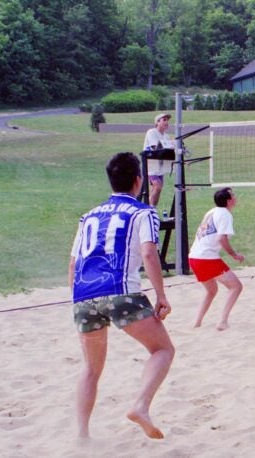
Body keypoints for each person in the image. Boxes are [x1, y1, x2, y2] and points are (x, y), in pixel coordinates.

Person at [68, 152, 174, 439]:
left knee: (90, 369)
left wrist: (75, 300)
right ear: (138, 181)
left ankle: (82, 436)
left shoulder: (88, 215)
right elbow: (150, 253)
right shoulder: (143, 212)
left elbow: (74, 264)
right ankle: (140, 405)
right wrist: (161, 295)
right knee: (163, 350)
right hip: (120, 293)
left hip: (83, 296)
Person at [188, 187, 245, 331]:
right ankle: (223, 321)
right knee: (236, 286)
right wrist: (234, 255)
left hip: (194, 257)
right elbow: (222, 239)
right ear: (228, 201)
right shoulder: (225, 214)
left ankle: (197, 322)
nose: (235, 198)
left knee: (211, 290)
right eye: (233, 196)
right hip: (206, 259)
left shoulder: (211, 212)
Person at [142, 113, 175, 207]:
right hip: (150, 166)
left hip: (160, 167)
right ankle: (148, 209)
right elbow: (155, 148)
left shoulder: (166, 136)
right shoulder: (151, 132)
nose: (167, 122)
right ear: (157, 122)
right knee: (157, 187)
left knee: (157, 190)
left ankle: (152, 209)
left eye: (167, 120)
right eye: (164, 120)